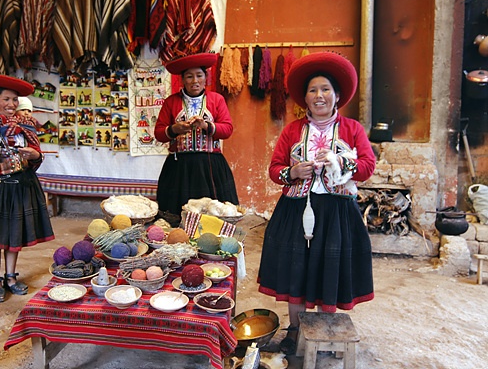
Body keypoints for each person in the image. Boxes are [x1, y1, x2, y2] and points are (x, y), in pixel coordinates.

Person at [257, 52, 376, 354]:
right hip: (296, 210)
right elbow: (274, 169)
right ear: (305, 98)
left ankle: (324, 331)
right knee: (295, 268)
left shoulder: (352, 130)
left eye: (325, 89)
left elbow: (367, 166)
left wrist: (339, 162)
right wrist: (292, 172)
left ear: (337, 96)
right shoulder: (292, 130)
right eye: (312, 90)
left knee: (328, 268)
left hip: (337, 213)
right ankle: (295, 330)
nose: (319, 95)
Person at [0, 73, 55, 303]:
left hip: (20, 184)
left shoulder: (26, 124)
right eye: (6, 99)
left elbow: (37, 154)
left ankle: (11, 278)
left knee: (15, 232)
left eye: (15, 100)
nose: (11, 105)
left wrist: (35, 155)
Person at [154, 53, 239, 220]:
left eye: (199, 75)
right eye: (189, 76)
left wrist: (206, 125)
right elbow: (159, 133)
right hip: (179, 168)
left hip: (210, 166)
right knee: (176, 215)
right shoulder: (171, 102)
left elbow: (227, 129)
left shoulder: (216, 100)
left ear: (206, 77)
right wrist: (174, 129)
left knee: (212, 214)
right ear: (183, 79)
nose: (195, 81)